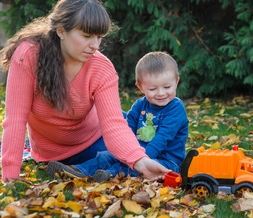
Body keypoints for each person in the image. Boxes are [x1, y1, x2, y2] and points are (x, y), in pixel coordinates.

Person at [0, 0, 170, 181]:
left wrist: (140, 160)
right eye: (87, 36)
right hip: (53, 152)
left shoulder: (102, 67)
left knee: (150, 135)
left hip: (98, 138)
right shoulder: (28, 56)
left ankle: (95, 167)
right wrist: (10, 177)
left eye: (99, 37)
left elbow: (113, 124)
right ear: (61, 30)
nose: (95, 45)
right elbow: (15, 120)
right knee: (140, 145)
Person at [46, 51, 189, 182]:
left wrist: (140, 158)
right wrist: (127, 152)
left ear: (176, 82)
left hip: (166, 160)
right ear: (141, 87)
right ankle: (77, 170)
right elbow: (128, 127)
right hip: (137, 153)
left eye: (167, 87)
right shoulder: (140, 105)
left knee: (129, 168)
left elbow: (162, 138)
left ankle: (108, 175)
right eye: (152, 89)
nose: (161, 93)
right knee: (107, 156)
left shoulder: (176, 108)